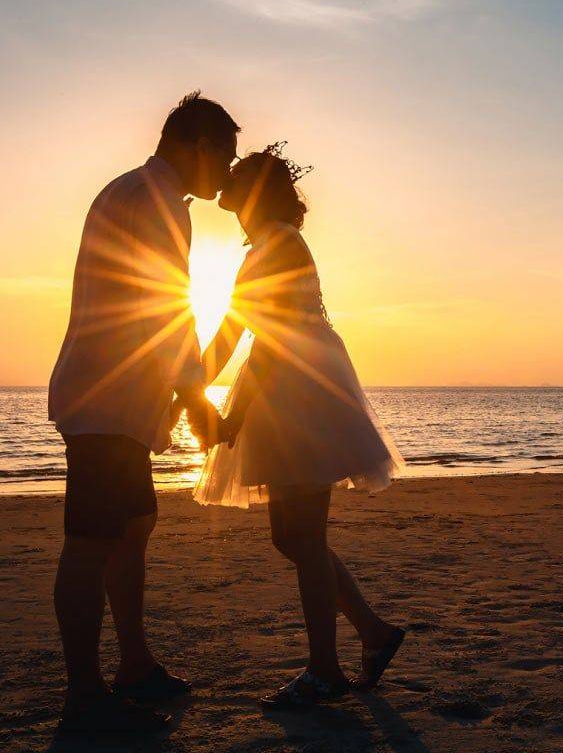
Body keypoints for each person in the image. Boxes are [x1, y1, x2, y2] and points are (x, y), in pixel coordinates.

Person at [47, 92, 238, 732]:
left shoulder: (141, 194)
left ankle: (134, 664)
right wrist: (198, 404)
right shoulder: (150, 199)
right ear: (197, 144)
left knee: (133, 529)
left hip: (119, 400)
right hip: (105, 398)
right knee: (92, 542)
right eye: (226, 155)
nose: (226, 173)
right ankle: (85, 693)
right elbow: (165, 310)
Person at [194, 143, 406, 709]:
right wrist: (189, 388)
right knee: (293, 537)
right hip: (292, 388)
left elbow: (261, 337)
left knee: (303, 537)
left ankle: (325, 669)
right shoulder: (269, 247)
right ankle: (374, 634)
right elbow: (236, 332)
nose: (232, 210)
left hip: (300, 393)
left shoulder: (279, 247)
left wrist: (225, 409)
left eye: (236, 199)